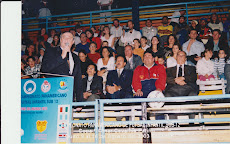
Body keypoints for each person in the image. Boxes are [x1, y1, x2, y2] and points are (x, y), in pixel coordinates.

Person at [41, 32, 83, 102]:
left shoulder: (75, 57)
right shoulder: (51, 51)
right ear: (60, 40)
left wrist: (79, 101)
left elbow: (78, 79)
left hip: (69, 96)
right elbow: (44, 69)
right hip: (54, 94)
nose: (66, 40)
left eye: (69, 38)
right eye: (64, 37)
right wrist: (61, 57)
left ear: (72, 42)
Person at [164, 51, 198, 120]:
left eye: (182, 56)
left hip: (187, 88)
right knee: (167, 95)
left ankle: (191, 122)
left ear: (185, 58)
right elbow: (166, 78)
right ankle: (173, 123)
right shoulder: (169, 69)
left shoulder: (191, 68)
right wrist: (176, 80)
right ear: (176, 57)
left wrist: (183, 78)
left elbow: (193, 77)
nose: (180, 57)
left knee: (193, 94)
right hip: (173, 89)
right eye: (179, 55)